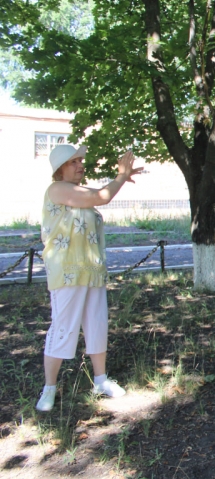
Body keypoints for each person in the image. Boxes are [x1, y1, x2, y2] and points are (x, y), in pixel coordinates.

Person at [36, 144, 143, 412]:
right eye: (73, 162)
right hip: (67, 271)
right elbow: (101, 196)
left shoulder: (77, 192)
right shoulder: (57, 189)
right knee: (63, 327)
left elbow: (96, 198)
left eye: (80, 161)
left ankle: (100, 380)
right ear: (60, 169)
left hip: (91, 270)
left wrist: (120, 179)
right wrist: (121, 176)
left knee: (97, 324)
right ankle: (49, 388)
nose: (80, 165)